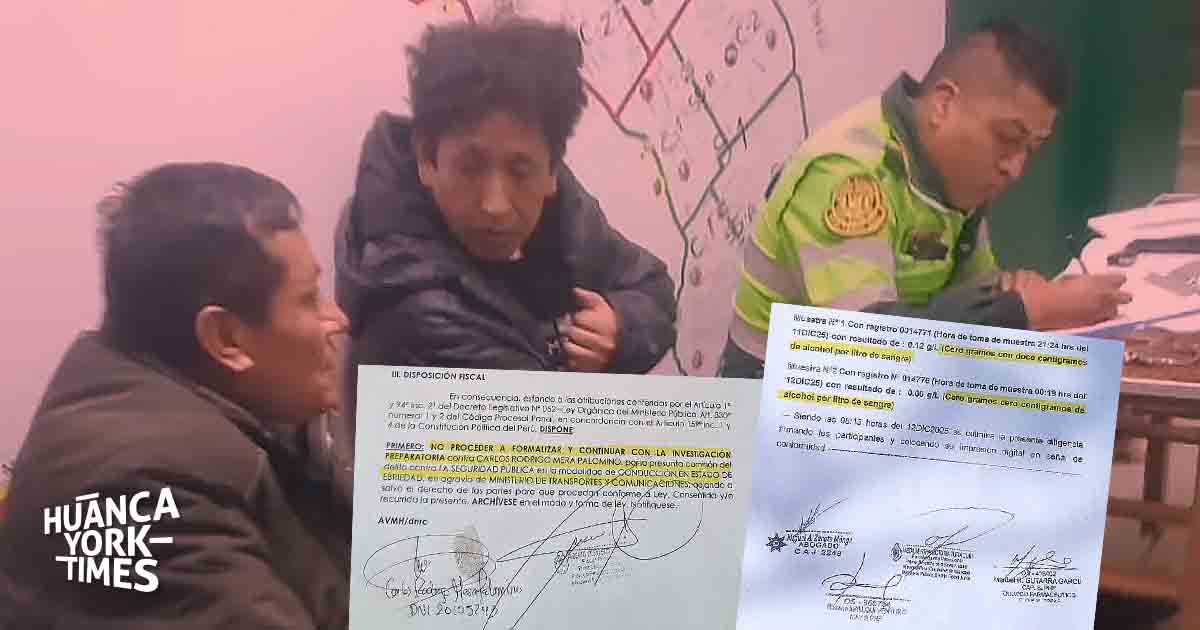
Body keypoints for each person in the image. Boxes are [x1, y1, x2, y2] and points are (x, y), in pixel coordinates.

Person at [0, 163, 353, 629]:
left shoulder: (224, 399)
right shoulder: (140, 490)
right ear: (226, 339)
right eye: (309, 300)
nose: (337, 319)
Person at [720, 18, 1131, 378]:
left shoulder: (951, 176)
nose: (1015, 168)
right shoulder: (848, 172)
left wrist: (1014, 297)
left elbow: (977, 294)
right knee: (1053, 418)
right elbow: (865, 347)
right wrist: (1024, 310)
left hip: (868, 391)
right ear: (944, 105)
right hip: (773, 392)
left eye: (1032, 149)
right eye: (1007, 139)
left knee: (1069, 401)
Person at [334, 18, 677, 419]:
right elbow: (555, 439)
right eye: (470, 167)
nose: (495, 204)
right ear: (427, 159)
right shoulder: (419, 319)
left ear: (551, 170)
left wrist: (621, 326)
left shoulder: (560, 205)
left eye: (519, 171)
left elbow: (649, 285)